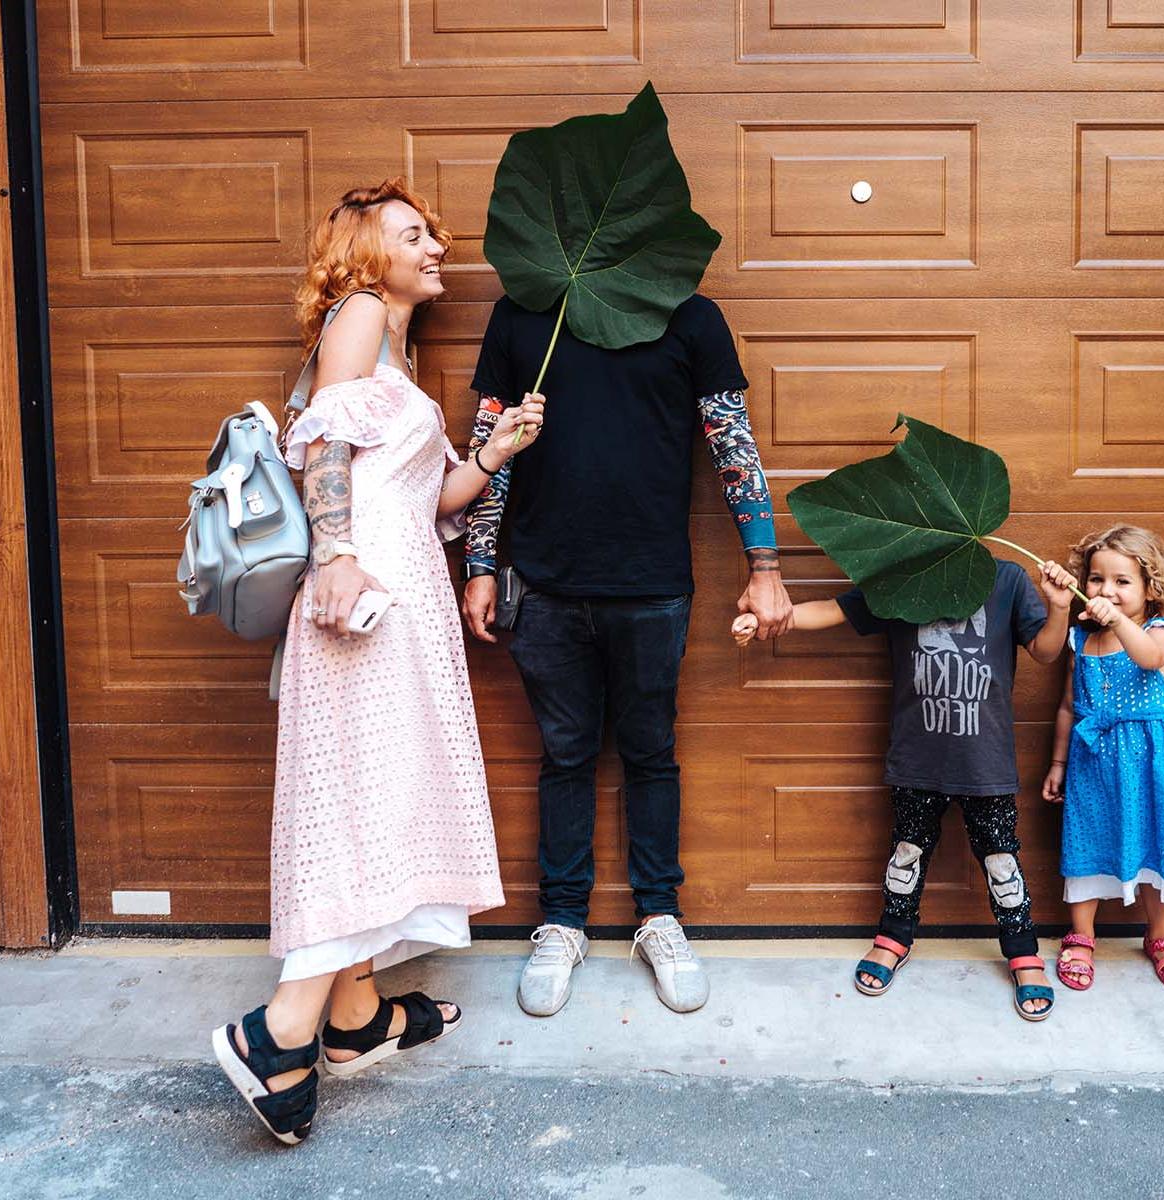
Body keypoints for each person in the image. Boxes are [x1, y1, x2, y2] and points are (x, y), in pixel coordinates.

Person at [209, 179, 544, 1145]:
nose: (436, 246)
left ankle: (353, 1022)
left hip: (405, 595)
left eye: (433, 233)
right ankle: (279, 1034)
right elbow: (318, 444)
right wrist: (338, 557)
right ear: (364, 254)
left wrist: (497, 452)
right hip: (363, 599)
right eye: (414, 234)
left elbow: (437, 499)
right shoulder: (356, 314)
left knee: (379, 794)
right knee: (359, 801)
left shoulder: (400, 351)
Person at [460, 292, 792, 1017]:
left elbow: (731, 444)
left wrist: (764, 567)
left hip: (652, 587)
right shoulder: (523, 313)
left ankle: (658, 916)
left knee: (650, 753)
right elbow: (492, 437)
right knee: (566, 756)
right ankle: (562, 922)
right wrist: (479, 563)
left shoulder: (691, 316)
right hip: (545, 583)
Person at [735, 556, 1078, 1020]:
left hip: (985, 758)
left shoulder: (1007, 577)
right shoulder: (900, 576)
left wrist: (1058, 607)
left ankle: (1022, 949)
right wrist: (769, 617)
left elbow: (1046, 651)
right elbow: (835, 610)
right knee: (907, 852)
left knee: (1001, 860)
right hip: (917, 752)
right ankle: (894, 936)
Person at [1039, 524, 1164, 994]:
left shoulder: (1163, 631)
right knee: (1086, 840)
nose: (1106, 590)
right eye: (1095, 579)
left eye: (1122, 581)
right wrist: (1058, 764)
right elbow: (1069, 706)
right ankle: (1082, 936)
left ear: (1151, 588)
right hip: (1094, 761)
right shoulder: (1079, 640)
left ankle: (1161, 937)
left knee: (1159, 838)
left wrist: (1117, 620)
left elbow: (1150, 658)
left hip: (1153, 760)